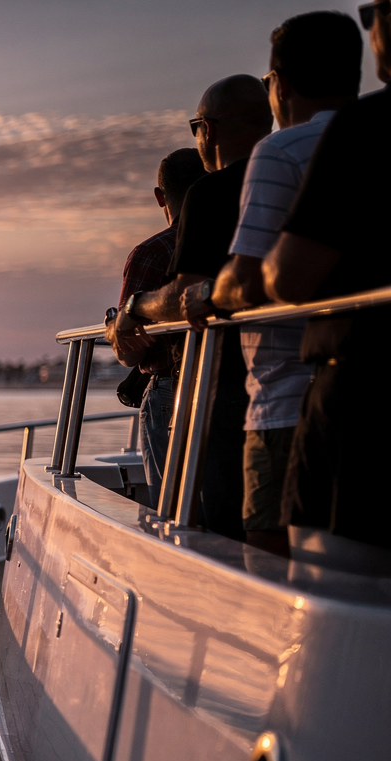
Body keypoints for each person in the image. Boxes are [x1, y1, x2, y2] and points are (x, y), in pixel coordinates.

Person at [208, 12, 362, 557]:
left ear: (280, 84)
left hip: (287, 398)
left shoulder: (282, 151)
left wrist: (208, 295)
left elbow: (252, 279)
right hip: (366, 388)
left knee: (273, 562)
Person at [111, 75, 272, 539]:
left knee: (188, 518)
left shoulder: (206, 202)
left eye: (195, 125)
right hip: (289, 378)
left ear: (211, 130)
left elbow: (184, 298)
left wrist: (133, 311)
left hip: (209, 387)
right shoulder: (300, 176)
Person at [264, 0, 391, 574]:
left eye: (375, 11)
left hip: (365, 412)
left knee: (331, 602)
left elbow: (290, 276)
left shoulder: (365, 130)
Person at [108, 148, 207, 498]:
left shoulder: (151, 253)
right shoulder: (240, 243)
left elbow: (129, 355)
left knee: (172, 508)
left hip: (170, 389)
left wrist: (117, 323)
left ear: (159, 197)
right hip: (231, 386)